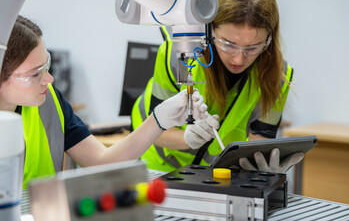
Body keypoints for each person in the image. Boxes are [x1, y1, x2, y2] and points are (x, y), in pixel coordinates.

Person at [0, 15, 208, 188]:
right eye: (35, 74)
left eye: (47, 65)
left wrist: (160, 119)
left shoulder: (49, 101)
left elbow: (102, 161)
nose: (49, 79)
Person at [131, 0, 304, 173]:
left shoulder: (278, 77)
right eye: (228, 44)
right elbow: (155, 132)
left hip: (214, 173)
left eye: (253, 47)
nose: (239, 58)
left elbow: (259, 144)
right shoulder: (178, 53)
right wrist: (186, 139)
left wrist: (263, 171)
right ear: (210, 30)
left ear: (268, 41)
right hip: (159, 164)